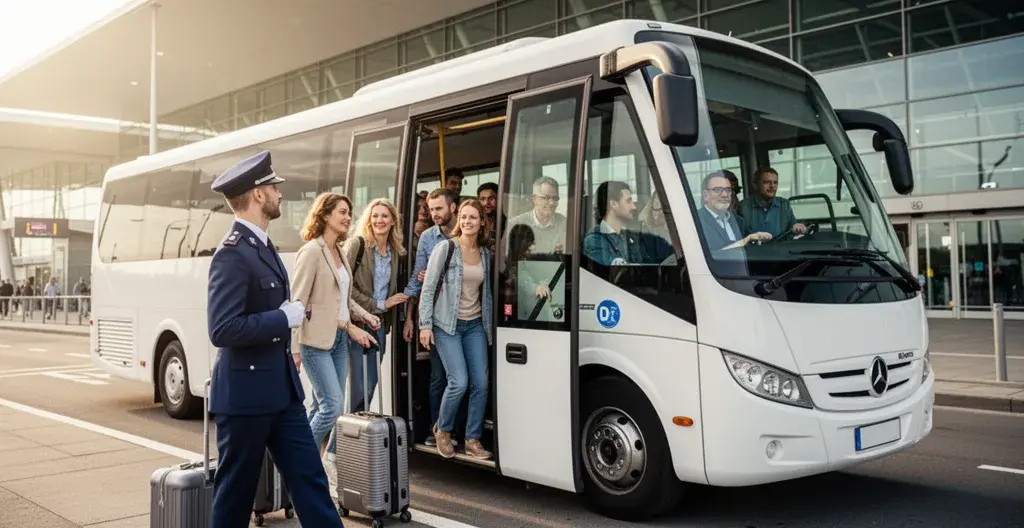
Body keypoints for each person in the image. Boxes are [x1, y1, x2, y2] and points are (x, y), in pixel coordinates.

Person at [205, 151, 343, 528]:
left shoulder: (262, 247)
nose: (280, 194)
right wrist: (282, 318)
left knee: (311, 481)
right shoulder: (232, 254)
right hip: (246, 397)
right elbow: (222, 329)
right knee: (235, 494)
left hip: (282, 393)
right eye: (273, 187)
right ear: (257, 194)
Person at [290, 192, 379, 499]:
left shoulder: (340, 251)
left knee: (325, 406)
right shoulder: (312, 252)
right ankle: (300, 466)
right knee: (331, 405)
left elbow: (343, 298)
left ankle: (307, 468)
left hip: (339, 340)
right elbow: (297, 302)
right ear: (325, 215)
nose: (347, 217)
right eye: (342, 212)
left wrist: (365, 315)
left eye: (348, 212)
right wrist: (294, 348)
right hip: (316, 339)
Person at [418, 199, 494, 460]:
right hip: (446, 324)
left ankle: (473, 439)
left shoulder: (485, 253)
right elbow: (428, 289)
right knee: (458, 381)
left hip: (474, 325)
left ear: (482, 221)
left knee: (481, 384)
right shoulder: (446, 248)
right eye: (463, 217)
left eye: (473, 217)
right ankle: (443, 429)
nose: (467, 222)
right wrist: (425, 325)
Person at [402, 188, 464, 448]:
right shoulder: (428, 237)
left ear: (453, 207)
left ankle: (459, 430)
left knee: (467, 378)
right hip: (439, 318)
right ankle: (436, 429)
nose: (434, 214)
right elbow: (418, 278)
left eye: (439, 208)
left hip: (468, 317)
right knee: (440, 376)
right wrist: (409, 318)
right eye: (431, 209)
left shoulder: (468, 232)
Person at [343, 197, 409, 413]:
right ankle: (343, 438)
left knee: (370, 385)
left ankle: (355, 435)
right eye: (375, 215)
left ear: (393, 221)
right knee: (359, 387)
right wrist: (381, 303)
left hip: (378, 326)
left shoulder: (395, 252)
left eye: (385, 216)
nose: (380, 220)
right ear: (369, 220)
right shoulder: (357, 245)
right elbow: (343, 287)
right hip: (357, 324)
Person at [697, 171, 771, 250]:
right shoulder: (696, 221)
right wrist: (746, 240)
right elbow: (709, 255)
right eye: (718, 190)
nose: (725, 195)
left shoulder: (738, 221)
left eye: (728, 190)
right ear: (705, 195)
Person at [738, 167, 805, 238]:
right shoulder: (742, 207)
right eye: (767, 182)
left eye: (775, 182)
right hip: (754, 248)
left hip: (781, 248)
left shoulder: (784, 205)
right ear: (755, 185)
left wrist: (799, 228)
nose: (772, 186)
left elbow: (793, 229)